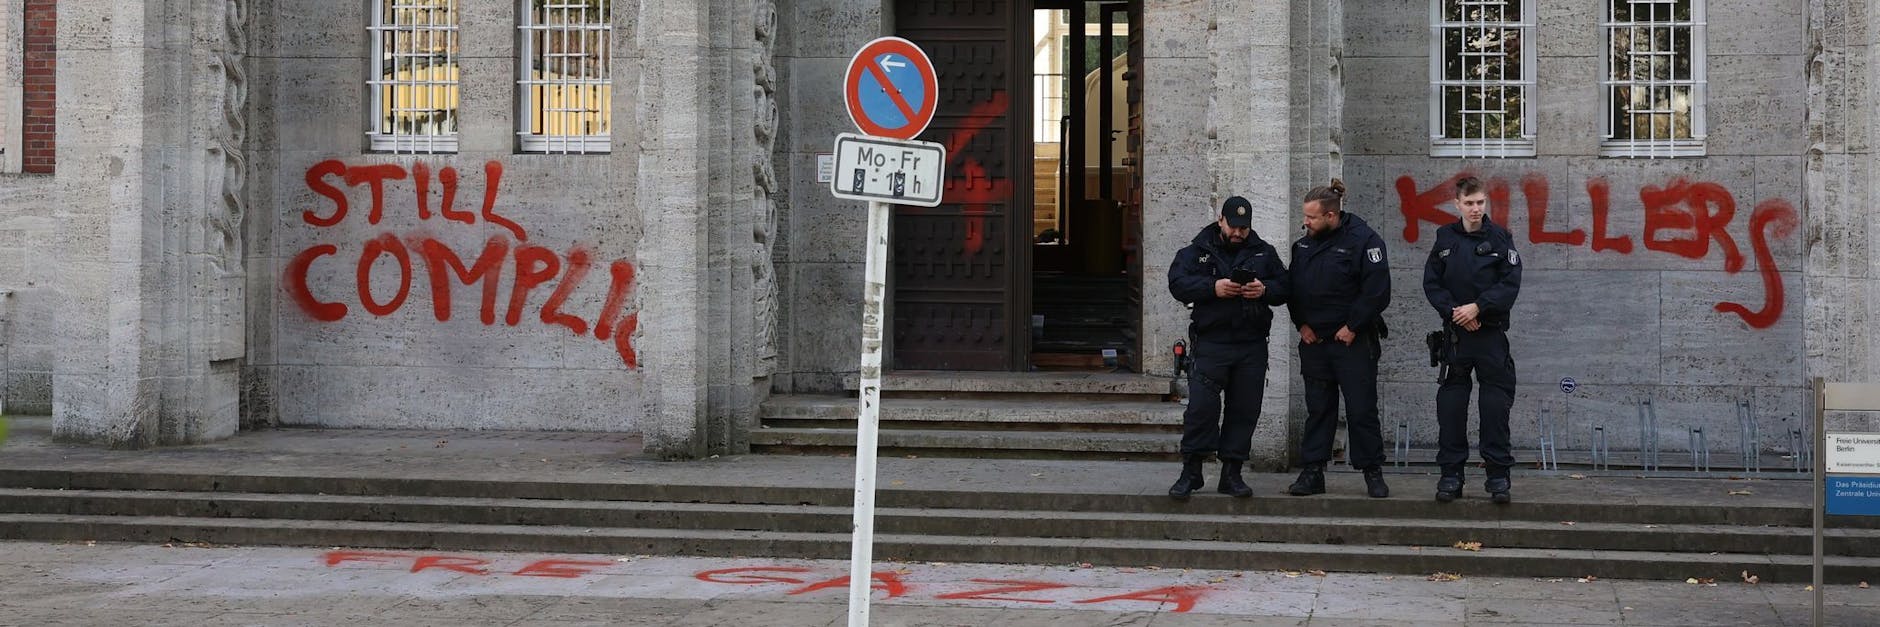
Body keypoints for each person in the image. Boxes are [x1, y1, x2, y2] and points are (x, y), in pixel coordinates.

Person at [1165, 195, 1290, 500]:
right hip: (1212, 343)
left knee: (1245, 409)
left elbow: (1286, 286)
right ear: (1220, 220)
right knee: (1201, 410)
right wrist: (1213, 288)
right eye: (1233, 227)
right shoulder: (1197, 251)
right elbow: (1177, 283)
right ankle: (1191, 472)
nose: (1238, 233)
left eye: (1244, 229)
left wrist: (1264, 289)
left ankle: (1232, 473)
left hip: (1251, 345)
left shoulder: (1264, 252)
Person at [1285, 179, 1392, 498]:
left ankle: (1372, 471)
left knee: (1361, 409)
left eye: (1311, 217)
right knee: (1318, 409)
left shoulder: (1365, 240)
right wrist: (1301, 324)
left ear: (1331, 215)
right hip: (1316, 343)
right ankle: (1313, 471)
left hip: (1352, 341)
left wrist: (1353, 326)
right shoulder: (1303, 245)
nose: (1305, 222)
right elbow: (1294, 289)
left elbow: (1377, 292)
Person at [1422, 176, 1522, 504]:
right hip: (1456, 338)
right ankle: (1451, 476)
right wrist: (1455, 312)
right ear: (1457, 205)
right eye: (1469, 203)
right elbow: (1432, 283)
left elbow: (1510, 283)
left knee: (1494, 407)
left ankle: (1497, 478)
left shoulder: (1500, 238)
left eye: (1480, 202)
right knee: (1451, 408)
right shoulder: (1445, 238)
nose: (1476, 209)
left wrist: (1478, 307)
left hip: (1489, 335)